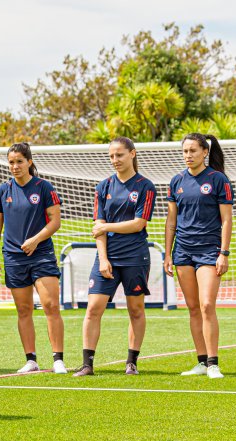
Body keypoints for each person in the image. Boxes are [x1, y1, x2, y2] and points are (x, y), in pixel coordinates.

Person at [73, 137, 157, 376]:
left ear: (132, 154)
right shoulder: (103, 186)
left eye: (119, 155)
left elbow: (139, 224)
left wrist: (107, 226)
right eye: (111, 156)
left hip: (135, 257)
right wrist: (103, 258)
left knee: (136, 309)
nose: (115, 160)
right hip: (107, 257)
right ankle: (87, 364)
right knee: (93, 308)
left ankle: (132, 362)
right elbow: (97, 228)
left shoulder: (146, 186)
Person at [0, 142, 66, 375]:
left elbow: (55, 221)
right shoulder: (2, 191)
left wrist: (35, 240)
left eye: (20, 161)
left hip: (41, 255)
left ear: (29, 162)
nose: (15, 166)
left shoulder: (44, 188)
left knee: (51, 306)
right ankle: (31, 360)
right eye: (11, 162)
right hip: (14, 258)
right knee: (23, 310)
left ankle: (58, 360)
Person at [165, 133, 233, 379]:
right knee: (193, 308)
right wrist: (168, 254)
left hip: (209, 251)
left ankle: (213, 364)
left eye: (193, 150)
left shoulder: (218, 179)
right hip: (183, 251)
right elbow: (171, 221)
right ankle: (202, 362)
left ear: (205, 152)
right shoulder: (176, 181)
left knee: (206, 305)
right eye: (185, 151)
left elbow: (227, 219)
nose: (188, 155)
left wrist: (223, 253)